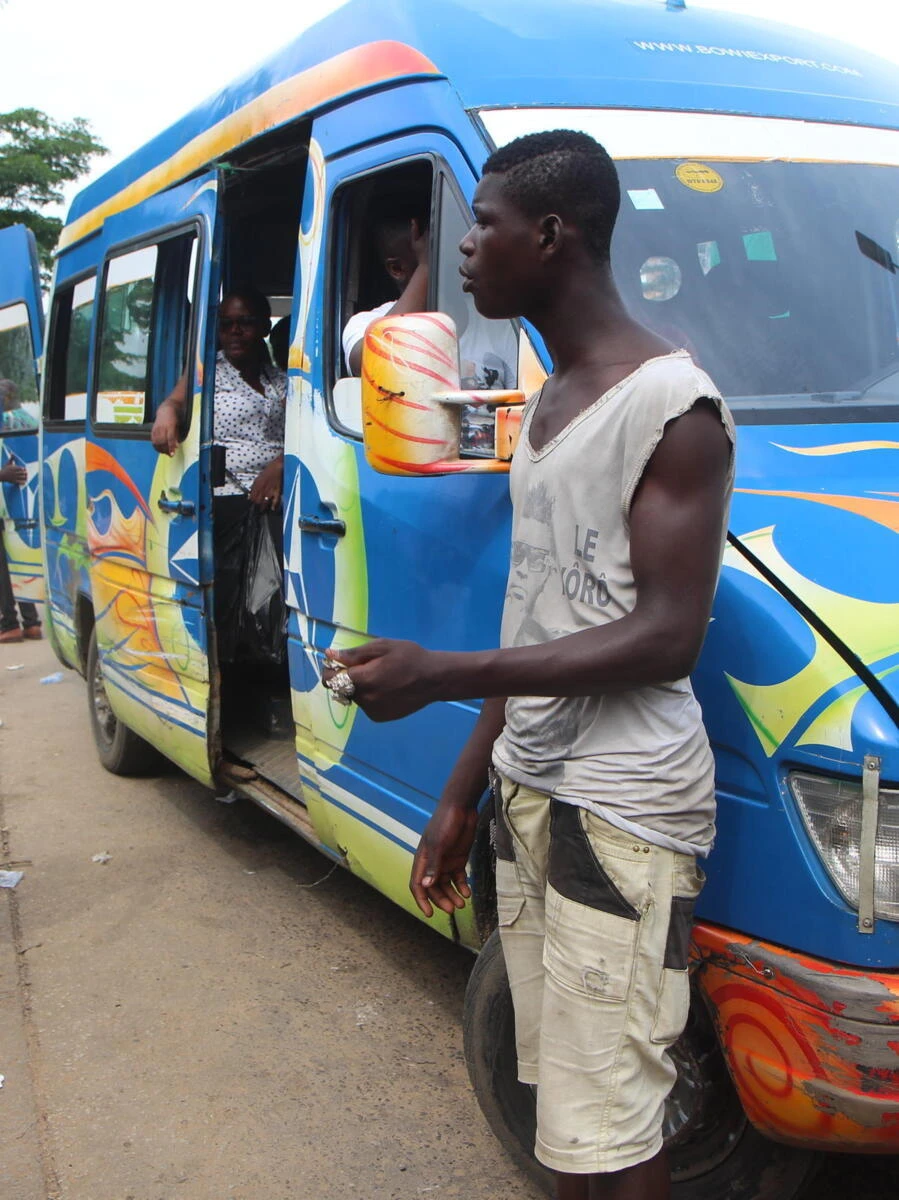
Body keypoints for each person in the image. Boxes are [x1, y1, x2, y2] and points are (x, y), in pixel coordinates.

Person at [323, 130, 734, 1200]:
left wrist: (437, 672)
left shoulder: (671, 408)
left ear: (549, 235)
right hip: (534, 791)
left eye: (484, 225)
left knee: (615, 1119)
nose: (460, 251)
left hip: (621, 810)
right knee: (561, 1104)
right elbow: (540, 615)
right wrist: (463, 792)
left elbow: (665, 636)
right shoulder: (544, 403)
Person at [151, 288, 287, 661]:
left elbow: (301, 434)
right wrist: (166, 414)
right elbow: (177, 402)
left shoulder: (279, 379)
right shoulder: (207, 372)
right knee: (229, 606)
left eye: (244, 323)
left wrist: (279, 466)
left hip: (276, 501)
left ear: (263, 326)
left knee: (272, 600)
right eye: (226, 325)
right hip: (226, 505)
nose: (235, 332)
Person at [342, 209, 516, 390]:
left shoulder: (495, 321)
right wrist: (427, 266)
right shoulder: (366, 324)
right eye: (436, 254)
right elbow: (375, 362)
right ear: (397, 269)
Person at [0, 461, 41, 643]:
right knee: (16, 563)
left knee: (4, 570)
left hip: (7, 503)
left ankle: (10, 624)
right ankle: (31, 623)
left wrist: (2, 475)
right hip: (15, 502)